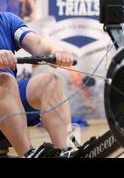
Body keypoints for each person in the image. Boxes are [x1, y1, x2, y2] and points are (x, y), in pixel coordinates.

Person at [0, 12, 75, 157]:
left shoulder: (7, 21)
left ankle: (65, 152)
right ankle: (28, 154)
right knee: (4, 81)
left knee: (50, 82)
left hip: (5, 103)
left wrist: (56, 51)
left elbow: (38, 44)